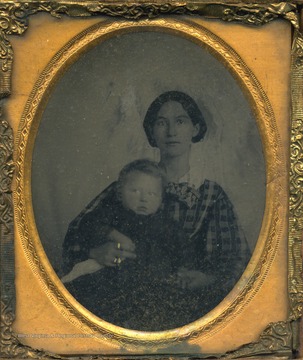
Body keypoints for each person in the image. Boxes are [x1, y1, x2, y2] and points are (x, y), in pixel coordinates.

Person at [62, 90, 250, 329]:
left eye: (180, 121)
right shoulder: (129, 185)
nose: (171, 131)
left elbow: (236, 259)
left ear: (195, 128)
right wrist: (96, 250)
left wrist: (206, 279)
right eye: (161, 123)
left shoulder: (211, 195)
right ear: (152, 132)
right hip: (119, 296)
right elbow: (78, 230)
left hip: (183, 303)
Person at [63, 159, 201, 330]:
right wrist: (114, 234)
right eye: (135, 191)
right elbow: (88, 223)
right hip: (113, 280)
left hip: (154, 283)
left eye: (152, 194)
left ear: (161, 199)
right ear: (120, 193)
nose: (143, 199)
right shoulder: (114, 212)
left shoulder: (167, 225)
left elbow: (184, 248)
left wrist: (184, 268)